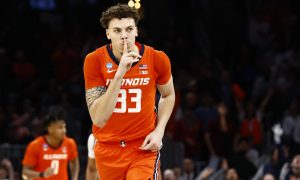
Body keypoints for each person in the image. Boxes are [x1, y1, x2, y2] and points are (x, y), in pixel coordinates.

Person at [83, 4, 175, 180]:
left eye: (129, 29)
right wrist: (120, 74)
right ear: (108, 34)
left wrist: (159, 131)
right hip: (108, 148)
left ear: (136, 31)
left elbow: (168, 94)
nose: (124, 35)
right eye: (117, 30)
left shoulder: (157, 58)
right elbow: (99, 118)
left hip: (142, 147)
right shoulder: (94, 61)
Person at [22, 109, 80, 180]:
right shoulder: (35, 145)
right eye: (60, 127)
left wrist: (75, 178)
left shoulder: (70, 143)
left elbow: (74, 162)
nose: (64, 130)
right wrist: (42, 174)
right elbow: (25, 172)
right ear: (49, 129)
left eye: (64, 127)